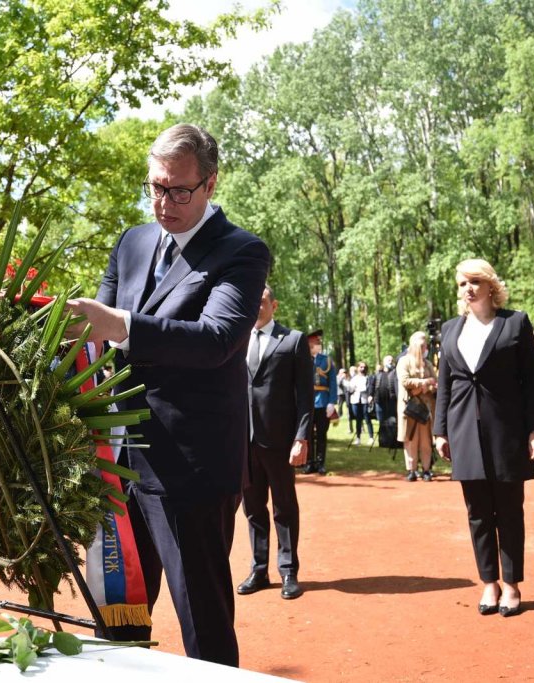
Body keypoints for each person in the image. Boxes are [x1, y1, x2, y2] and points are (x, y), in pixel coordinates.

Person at [66, 123, 270, 666]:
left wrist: (121, 324)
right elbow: (97, 339)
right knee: (117, 619)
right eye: (156, 187)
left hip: (191, 471)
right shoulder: (131, 242)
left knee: (202, 624)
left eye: (179, 191)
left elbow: (217, 340)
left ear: (210, 184)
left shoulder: (241, 251)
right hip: (118, 463)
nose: (163, 203)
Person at [434, 258, 534, 618]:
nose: (468, 289)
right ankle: (489, 582)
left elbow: (533, 381)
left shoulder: (515, 322)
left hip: (507, 430)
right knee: (478, 513)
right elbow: (445, 384)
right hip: (464, 430)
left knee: (509, 510)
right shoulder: (450, 329)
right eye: (462, 283)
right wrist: (440, 430)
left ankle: (511, 584)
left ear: (490, 286)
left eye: (475, 282)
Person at [238, 286, 312, 600]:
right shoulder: (236, 338)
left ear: (274, 305)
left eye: (262, 301)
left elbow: (305, 395)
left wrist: (301, 437)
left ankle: (288, 570)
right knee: (253, 509)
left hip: (280, 441)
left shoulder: (293, 340)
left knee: (284, 507)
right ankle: (259, 569)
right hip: (244, 441)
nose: (256, 306)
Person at [396, 332, 437, 481]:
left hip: (426, 408)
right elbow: (404, 381)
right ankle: (411, 470)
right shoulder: (404, 361)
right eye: (422, 346)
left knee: (426, 441)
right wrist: (424, 383)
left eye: (425, 345)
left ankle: (426, 469)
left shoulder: (428, 364)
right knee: (410, 440)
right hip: (410, 407)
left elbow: (435, 382)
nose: (425, 348)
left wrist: (427, 387)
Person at [306, 330, 337, 474]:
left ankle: (320, 463)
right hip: (307, 402)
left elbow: (333, 383)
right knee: (307, 435)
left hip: (323, 401)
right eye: (315, 342)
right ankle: (309, 463)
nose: (318, 344)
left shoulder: (327, 360)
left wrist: (332, 402)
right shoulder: (302, 359)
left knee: (321, 434)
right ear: (309, 343)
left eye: (319, 342)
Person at [343, 361, 374, 445]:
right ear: (357, 368)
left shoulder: (368, 377)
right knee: (358, 419)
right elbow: (351, 389)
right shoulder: (354, 378)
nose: (362, 369)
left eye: (364, 367)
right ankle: (358, 438)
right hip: (355, 400)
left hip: (364, 400)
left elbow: (369, 388)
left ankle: (371, 437)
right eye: (361, 367)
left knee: (367, 418)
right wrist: (347, 385)